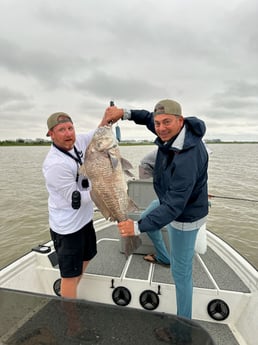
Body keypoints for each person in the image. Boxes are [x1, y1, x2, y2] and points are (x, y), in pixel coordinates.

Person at [103, 99, 209, 319]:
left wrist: (137, 227)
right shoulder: (170, 131)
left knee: (181, 273)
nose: (160, 128)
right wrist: (124, 113)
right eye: (158, 123)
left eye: (166, 122)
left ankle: (184, 325)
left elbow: (174, 207)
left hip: (185, 215)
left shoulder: (188, 157)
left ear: (180, 121)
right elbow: (146, 118)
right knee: (149, 217)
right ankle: (163, 256)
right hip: (168, 199)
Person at [43, 111, 104, 299]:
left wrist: (108, 117)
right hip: (68, 228)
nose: (68, 133)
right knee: (69, 275)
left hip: (85, 220)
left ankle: (68, 293)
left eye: (70, 128)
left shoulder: (77, 142)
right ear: (51, 134)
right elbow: (76, 198)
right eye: (61, 130)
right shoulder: (55, 164)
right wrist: (105, 188)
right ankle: (71, 321)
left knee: (87, 256)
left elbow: (98, 133)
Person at [139, 150, 170, 266]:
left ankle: (164, 257)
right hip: (172, 197)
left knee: (146, 219)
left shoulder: (183, 155)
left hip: (174, 199)